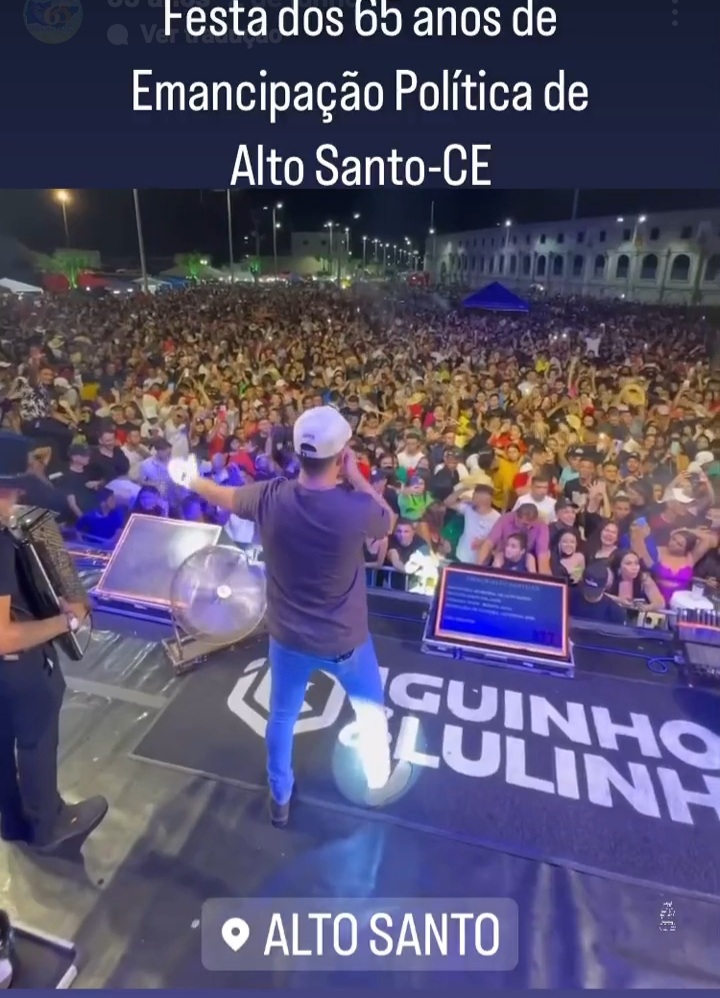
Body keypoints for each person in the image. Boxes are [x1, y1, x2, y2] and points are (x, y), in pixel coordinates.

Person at [168, 406, 399, 828]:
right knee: (369, 713)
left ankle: (280, 796)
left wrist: (189, 478)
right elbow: (388, 521)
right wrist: (358, 476)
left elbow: (222, 496)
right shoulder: (355, 508)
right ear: (341, 455)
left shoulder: (270, 496)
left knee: (281, 717)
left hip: (288, 637)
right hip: (344, 639)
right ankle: (378, 780)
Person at [0, 432, 108, 851]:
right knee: (36, 742)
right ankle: (49, 824)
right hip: (20, 667)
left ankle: (11, 820)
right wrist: (65, 620)